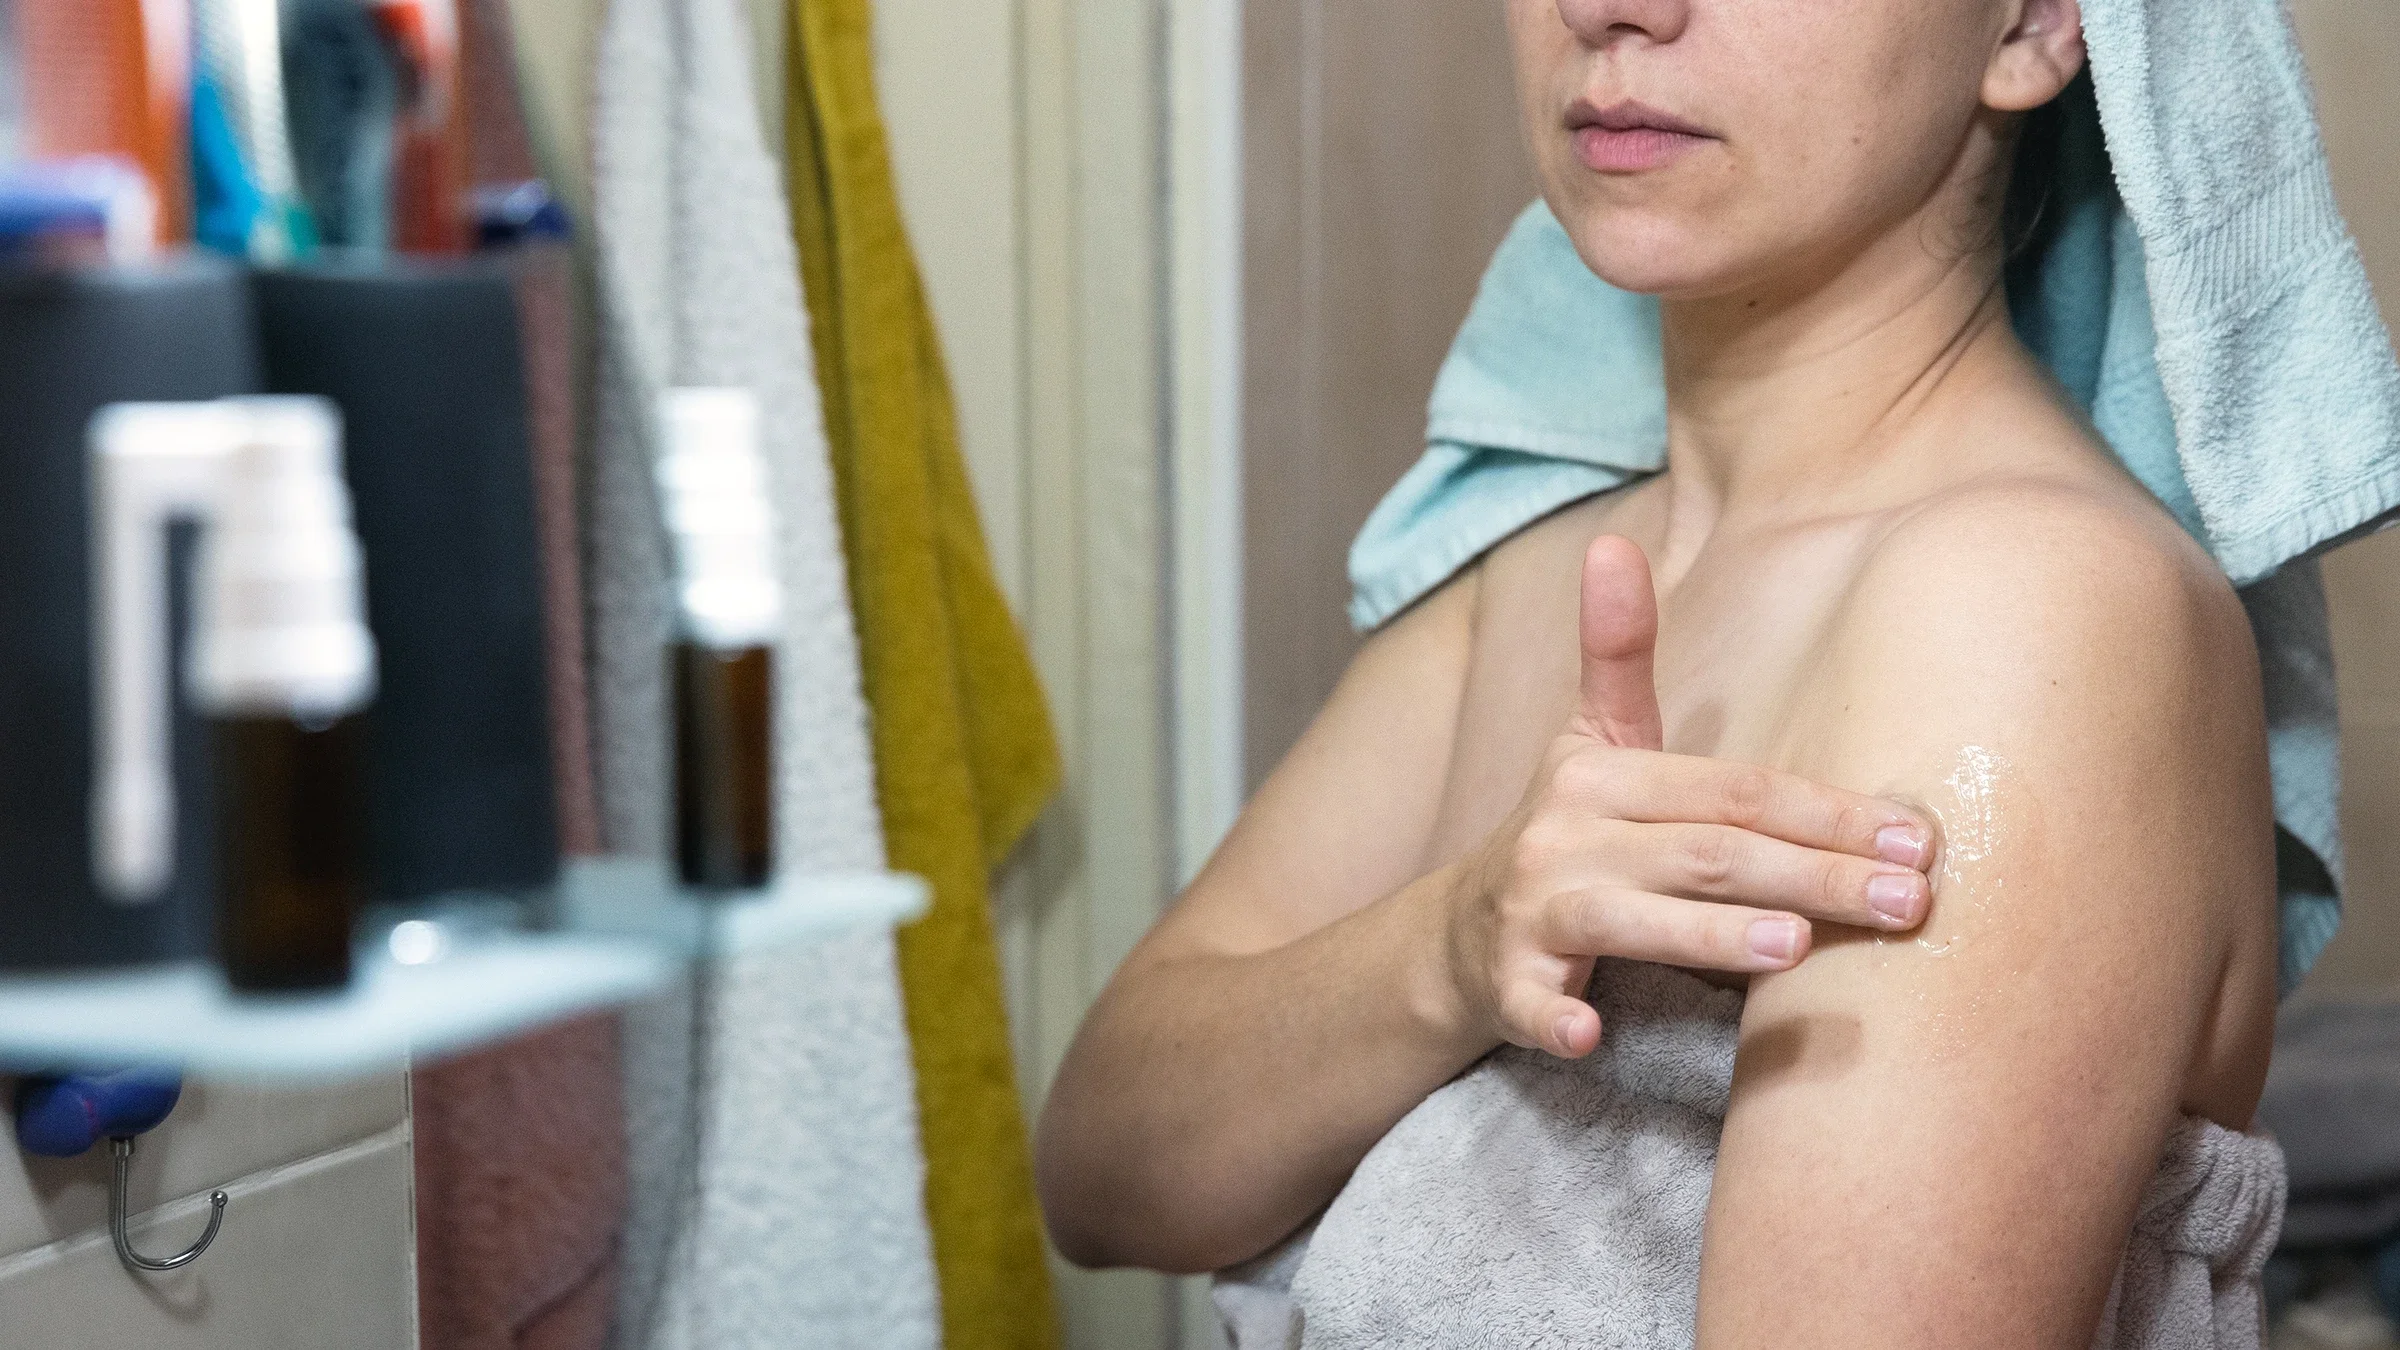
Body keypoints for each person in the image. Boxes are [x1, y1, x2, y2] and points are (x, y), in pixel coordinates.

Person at [1034, 0, 2282, 1342]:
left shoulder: (2033, 608)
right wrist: (1454, 942)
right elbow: (1104, 1168)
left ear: (2031, 27)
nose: (1613, 5)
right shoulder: (1532, 573)